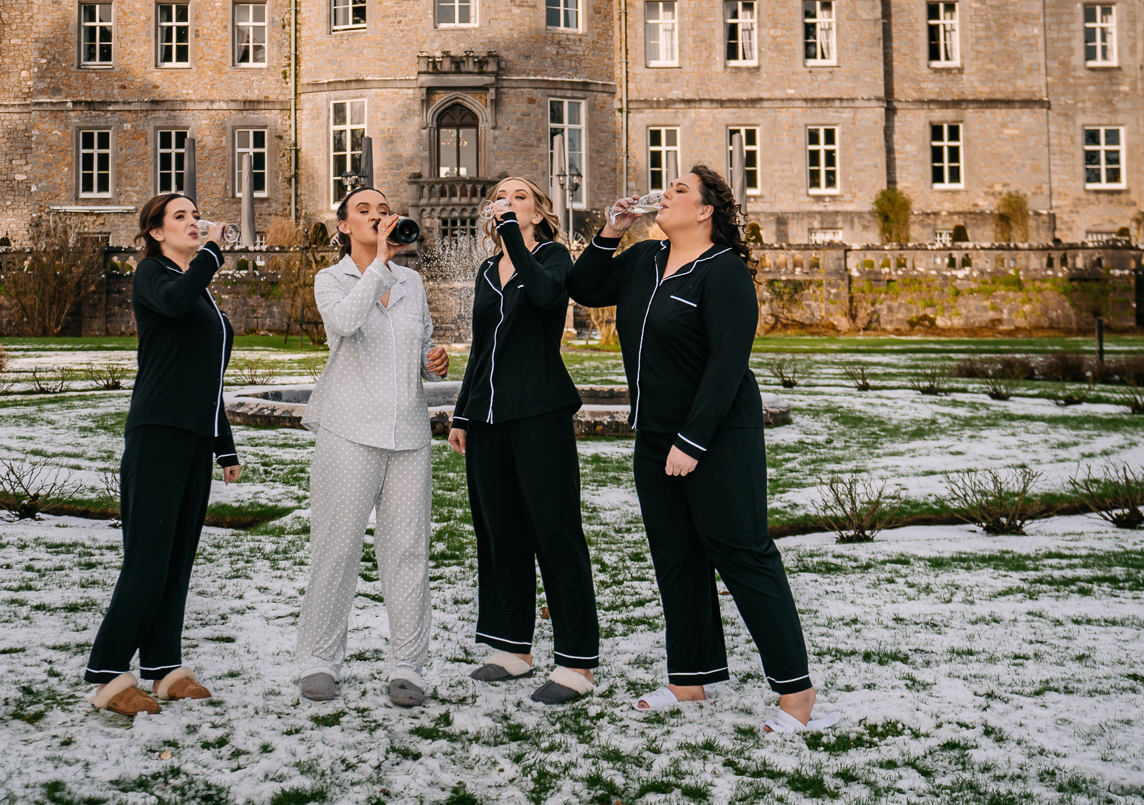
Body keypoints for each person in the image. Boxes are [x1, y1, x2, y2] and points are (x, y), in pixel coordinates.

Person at [566, 165, 841, 734]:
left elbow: (727, 363)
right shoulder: (644, 260)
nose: (665, 196)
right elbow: (585, 289)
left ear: (706, 210)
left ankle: (796, 692)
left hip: (719, 436)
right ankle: (688, 681)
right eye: (666, 190)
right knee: (676, 558)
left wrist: (692, 442)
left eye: (679, 191)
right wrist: (612, 231)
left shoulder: (724, 272)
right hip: (654, 436)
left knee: (743, 554)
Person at [86, 193, 243, 717]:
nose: (195, 222)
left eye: (196, 215)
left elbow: (205, 376)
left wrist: (224, 446)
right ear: (155, 232)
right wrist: (213, 255)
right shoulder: (152, 277)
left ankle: (163, 668)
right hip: (157, 434)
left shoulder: (202, 296)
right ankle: (109, 673)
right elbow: (174, 302)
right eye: (181, 216)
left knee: (177, 561)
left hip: (194, 438)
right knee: (148, 560)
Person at [295, 187, 450, 707]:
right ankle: (318, 660)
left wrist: (433, 357)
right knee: (336, 549)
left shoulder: (412, 281)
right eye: (364, 210)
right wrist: (379, 265)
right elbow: (344, 324)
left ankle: (407, 664)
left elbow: (422, 338)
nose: (378, 217)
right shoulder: (331, 279)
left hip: (407, 432)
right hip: (347, 429)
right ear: (343, 226)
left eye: (384, 210)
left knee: (407, 551)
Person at [448, 176, 599, 705]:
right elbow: (480, 347)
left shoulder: (555, 258)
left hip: (539, 415)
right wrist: (462, 415)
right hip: (487, 421)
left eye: (519, 198)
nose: (506, 204)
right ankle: (512, 647)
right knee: (499, 531)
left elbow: (541, 294)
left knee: (554, 533)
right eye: (500, 198)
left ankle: (577, 663)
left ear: (537, 213)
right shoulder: (487, 270)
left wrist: (513, 237)